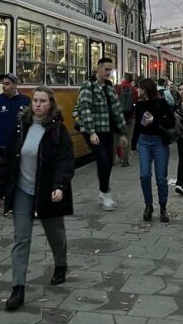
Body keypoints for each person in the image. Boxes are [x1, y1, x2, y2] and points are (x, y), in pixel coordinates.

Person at [0, 86, 74, 311]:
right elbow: (8, 159)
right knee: (21, 239)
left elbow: (66, 161)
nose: (37, 104)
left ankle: (60, 264)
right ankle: (18, 289)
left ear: (50, 105)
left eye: (42, 101)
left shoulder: (58, 130)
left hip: (47, 192)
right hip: (22, 191)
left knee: (55, 233)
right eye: (35, 101)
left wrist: (59, 186)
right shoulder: (21, 127)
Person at [74, 57, 128, 210]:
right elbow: (85, 109)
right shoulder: (88, 86)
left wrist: (123, 132)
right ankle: (105, 193)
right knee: (103, 160)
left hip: (107, 130)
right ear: (98, 68)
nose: (109, 73)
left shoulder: (109, 87)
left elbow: (117, 110)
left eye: (111, 70)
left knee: (109, 161)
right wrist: (91, 131)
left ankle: (103, 191)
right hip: (93, 131)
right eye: (106, 69)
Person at [131, 77, 175, 223]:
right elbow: (138, 125)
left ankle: (163, 207)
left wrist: (154, 121)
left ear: (145, 89)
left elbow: (171, 121)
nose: (137, 90)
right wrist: (133, 145)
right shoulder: (139, 104)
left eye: (139, 88)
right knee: (144, 175)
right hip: (143, 142)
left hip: (159, 143)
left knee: (161, 178)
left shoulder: (161, 103)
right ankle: (148, 206)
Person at [0, 73, 31, 159]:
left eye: (7, 84)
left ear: (15, 85)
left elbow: (31, 122)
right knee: (5, 170)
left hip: (21, 145)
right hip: (3, 145)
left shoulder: (25, 101)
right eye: (3, 84)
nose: (4, 86)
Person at [115, 72, 135, 167]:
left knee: (115, 139)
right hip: (129, 118)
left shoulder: (117, 88)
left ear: (123, 78)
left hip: (117, 117)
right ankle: (125, 161)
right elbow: (135, 102)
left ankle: (112, 161)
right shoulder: (133, 89)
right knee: (127, 139)